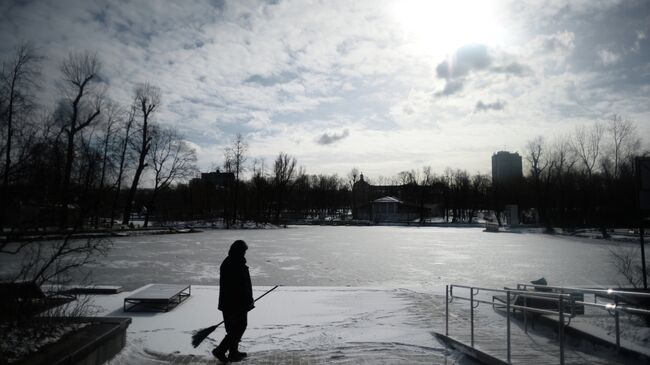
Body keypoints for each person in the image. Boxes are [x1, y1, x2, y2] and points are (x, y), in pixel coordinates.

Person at [213, 240, 254, 362]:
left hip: (237, 303)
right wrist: (246, 300)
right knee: (237, 328)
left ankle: (233, 352)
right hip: (233, 304)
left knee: (236, 328)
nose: (245, 253)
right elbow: (236, 286)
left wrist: (248, 300)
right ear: (238, 251)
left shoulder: (235, 261)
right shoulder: (232, 263)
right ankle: (220, 350)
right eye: (244, 251)